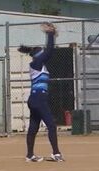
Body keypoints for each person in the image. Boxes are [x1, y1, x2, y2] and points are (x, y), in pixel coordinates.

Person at [18, 22, 64, 162]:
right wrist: (50, 34)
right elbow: (49, 51)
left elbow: (48, 52)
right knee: (51, 125)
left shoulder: (39, 65)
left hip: (36, 99)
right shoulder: (36, 63)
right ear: (38, 55)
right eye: (41, 52)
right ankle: (56, 153)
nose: (44, 54)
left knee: (33, 127)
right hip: (38, 99)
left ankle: (30, 155)